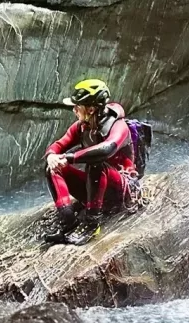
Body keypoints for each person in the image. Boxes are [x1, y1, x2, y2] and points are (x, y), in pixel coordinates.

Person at [42, 78, 137, 245]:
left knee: (96, 164)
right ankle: (68, 219)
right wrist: (52, 156)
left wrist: (70, 158)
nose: (74, 110)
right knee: (53, 167)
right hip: (95, 188)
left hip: (120, 192)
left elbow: (107, 149)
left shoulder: (118, 126)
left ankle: (92, 224)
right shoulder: (82, 126)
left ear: (91, 109)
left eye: (77, 106)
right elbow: (59, 144)